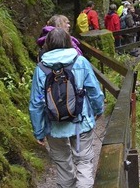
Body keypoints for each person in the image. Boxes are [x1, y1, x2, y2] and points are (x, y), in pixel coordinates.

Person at [29, 28, 104, 188]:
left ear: (47, 45)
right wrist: (98, 110)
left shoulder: (41, 68)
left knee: (63, 165)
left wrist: (39, 131)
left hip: (53, 126)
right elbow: (94, 91)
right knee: (83, 161)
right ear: (68, 42)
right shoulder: (80, 61)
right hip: (79, 124)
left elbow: (36, 103)